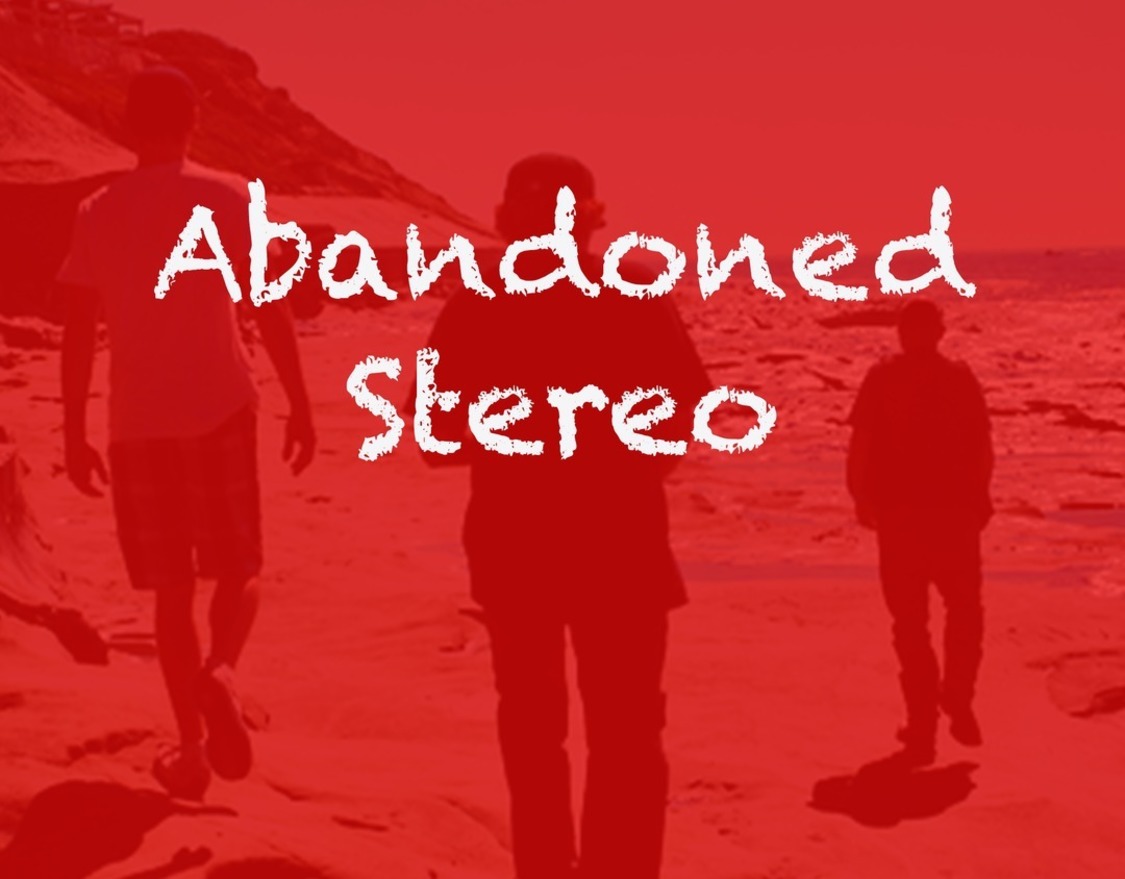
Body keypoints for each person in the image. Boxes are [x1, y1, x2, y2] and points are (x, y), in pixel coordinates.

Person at [419, 155, 709, 879]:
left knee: (532, 732)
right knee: (628, 734)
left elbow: (436, 439)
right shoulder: (635, 293)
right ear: (588, 222)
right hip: (623, 546)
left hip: (514, 548)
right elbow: (684, 416)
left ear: (508, 222)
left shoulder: (477, 304)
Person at [57, 67, 316, 800]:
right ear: (193, 121)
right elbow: (268, 305)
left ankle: (193, 753)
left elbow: (78, 329)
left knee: (171, 595)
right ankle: (223, 670)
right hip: (220, 406)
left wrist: (72, 430)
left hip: (137, 422)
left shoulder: (97, 210)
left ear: (126, 123)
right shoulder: (230, 196)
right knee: (240, 566)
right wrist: (301, 403)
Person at [847, 299, 992, 765]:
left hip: (903, 519)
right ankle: (957, 697)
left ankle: (924, 723)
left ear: (902, 333)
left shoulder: (883, 377)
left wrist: (860, 496)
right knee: (963, 611)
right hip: (951, 516)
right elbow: (982, 446)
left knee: (911, 624)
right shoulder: (960, 378)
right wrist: (980, 500)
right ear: (940, 332)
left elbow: (862, 442)